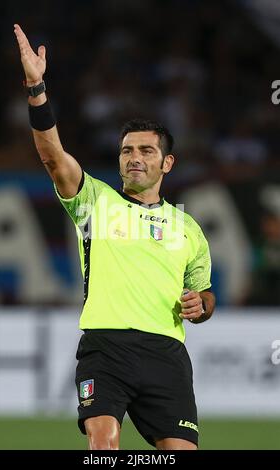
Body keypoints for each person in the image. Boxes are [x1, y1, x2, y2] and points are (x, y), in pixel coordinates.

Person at [14, 23, 216, 451]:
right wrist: (37, 88)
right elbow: (52, 156)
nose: (135, 158)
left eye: (146, 151)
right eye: (127, 150)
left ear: (168, 163)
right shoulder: (94, 201)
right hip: (106, 347)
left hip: (167, 354)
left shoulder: (188, 228)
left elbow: (203, 294)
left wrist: (203, 306)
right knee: (103, 447)